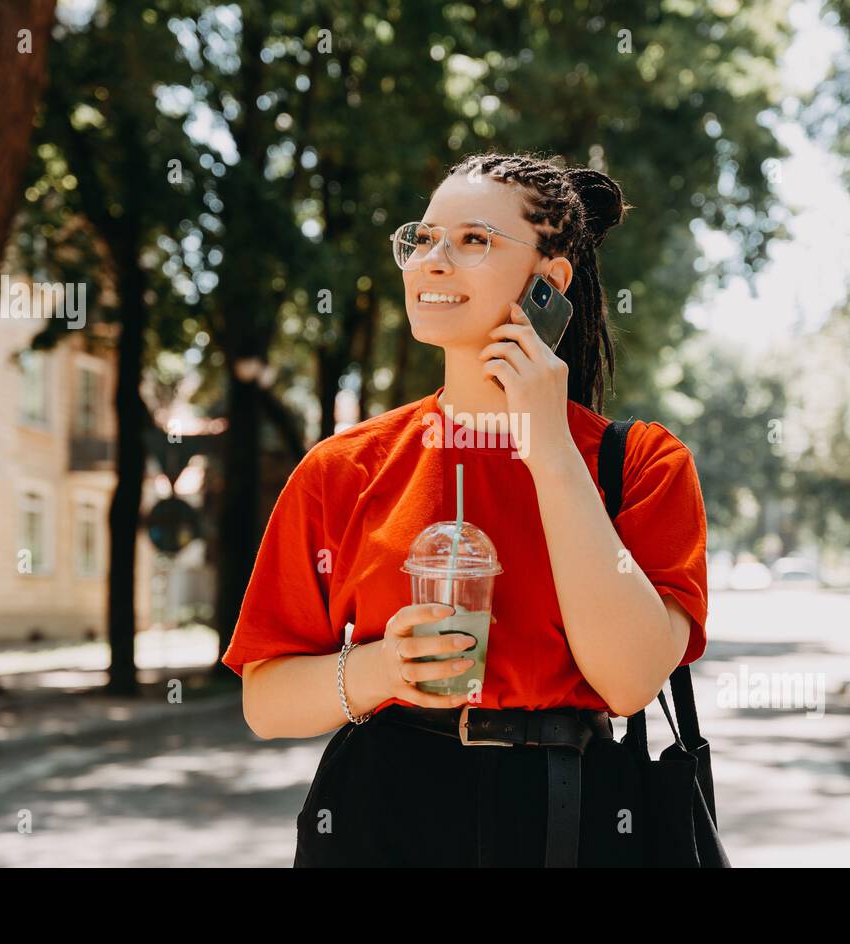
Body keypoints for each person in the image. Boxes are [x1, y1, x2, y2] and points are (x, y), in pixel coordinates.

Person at [221, 151, 710, 867]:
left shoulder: (641, 465)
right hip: (381, 818)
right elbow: (264, 699)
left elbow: (630, 680)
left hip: (573, 824)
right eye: (422, 239)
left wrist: (547, 447)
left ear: (550, 280)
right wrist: (384, 668)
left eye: (474, 240)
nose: (434, 260)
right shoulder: (342, 468)